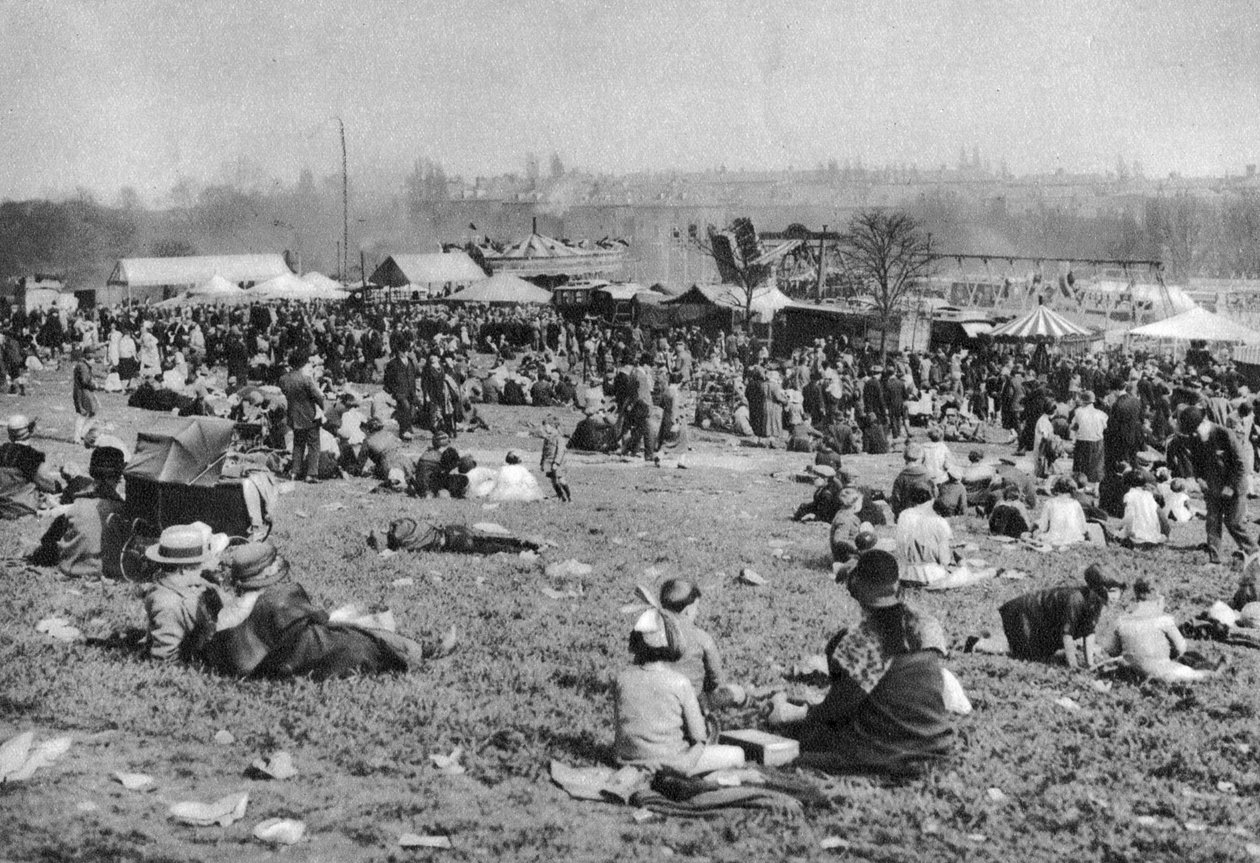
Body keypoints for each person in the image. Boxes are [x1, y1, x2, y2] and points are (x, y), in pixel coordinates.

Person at [769, 549, 953, 775]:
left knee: (806, 742)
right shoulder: (928, 624)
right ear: (896, 585)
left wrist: (788, 713)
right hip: (937, 745)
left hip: (887, 752)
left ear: (857, 588)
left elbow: (835, 711)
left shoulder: (855, 641)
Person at [192, 541, 455, 680]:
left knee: (350, 634)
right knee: (361, 640)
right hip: (293, 657)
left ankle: (416, 650)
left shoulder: (227, 610)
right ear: (268, 574)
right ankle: (423, 652)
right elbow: (318, 621)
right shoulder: (277, 600)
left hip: (268, 660)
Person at [611, 608, 746, 774]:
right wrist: (686, 764)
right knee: (737, 754)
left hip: (628, 761)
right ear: (674, 643)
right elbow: (699, 737)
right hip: (673, 762)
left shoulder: (621, 679)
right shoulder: (680, 683)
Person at [965, 564, 1126, 668]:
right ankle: (977, 644)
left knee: (1042, 652)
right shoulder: (1076, 599)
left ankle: (991, 636)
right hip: (1025, 614)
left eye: (1117, 592)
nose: (1114, 597)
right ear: (1099, 590)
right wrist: (1074, 666)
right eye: (1111, 591)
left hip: (1041, 619)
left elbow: (1089, 631)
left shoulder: (1095, 602)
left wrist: (1089, 663)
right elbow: (1067, 635)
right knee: (1021, 652)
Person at [1167, 406, 1258, 564]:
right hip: (1212, 486)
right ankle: (1214, 559)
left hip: (1234, 486)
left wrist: (1230, 487)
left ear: (1203, 423)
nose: (1192, 434)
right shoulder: (1195, 438)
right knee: (1212, 521)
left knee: (1233, 522)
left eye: (1194, 430)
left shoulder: (1225, 434)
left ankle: (1254, 551)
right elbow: (1196, 461)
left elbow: (1241, 465)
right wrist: (1200, 478)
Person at [30, 446, 128, 579]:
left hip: (69, 568)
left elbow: (49, 539)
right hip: (106, 571)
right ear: (120, 475)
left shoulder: (77, 504)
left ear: (91, 471)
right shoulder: (123, 510)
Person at [1102, 578, 1218, 683]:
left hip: (1131, 671)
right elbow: (1181, 648)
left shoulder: (1121, 620)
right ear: (1154, 595)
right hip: (1162, 672)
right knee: (1205, 675)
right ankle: (1216, 671)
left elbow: (1111, 649)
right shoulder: (1164, 620)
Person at [143, 523, 229, 663]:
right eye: (200, 566)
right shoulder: (168, 604)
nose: (204, 571)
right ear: (184, 569)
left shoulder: (187, 584)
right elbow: (164, 657)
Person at [658, 579, 742, 710]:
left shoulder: (650, 635)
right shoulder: (701, 638)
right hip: (692, 705)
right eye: (696, 608)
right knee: (737, 692)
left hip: (660, 703)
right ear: (687, 611)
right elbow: (716, 678)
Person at [369, 517, 543, 555]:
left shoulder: (407, 545)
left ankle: (520, 549)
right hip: (451, 530)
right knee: (487, 539)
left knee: (486, 547)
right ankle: (524, 544)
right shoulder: (407, 524)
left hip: (452, 541)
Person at [277, 349, 325, 483]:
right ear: (303, 363)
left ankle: (294, 471)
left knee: (298, 444)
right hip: (309, 415)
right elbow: (317, 396)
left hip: (293, 414)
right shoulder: (306, 379)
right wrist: (322, 406)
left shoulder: (283, 379)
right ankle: (311, 474)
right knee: (314, 444)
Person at [1033, 476, 1093, 547]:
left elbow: (1043, 527)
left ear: (1056, 489)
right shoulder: (1075, 503)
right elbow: (1083, 527)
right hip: (1075, 538)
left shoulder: (1049, 503)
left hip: (1054, 538)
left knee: (1036, 533)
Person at [1117, 469, 1170, 548]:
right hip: (1154, 537)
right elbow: (1162, 517)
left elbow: (1129, 517)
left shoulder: (1129, 495)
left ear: (1126, 484)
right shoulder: (1149, 496)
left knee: (1118, 534)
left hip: (1137, 537)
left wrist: (1120, 530)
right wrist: (1165, 534)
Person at [1070, 391, 1108, 489]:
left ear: (1082, 401)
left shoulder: (1078, 411)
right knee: (1096, 466)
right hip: (1097, 441)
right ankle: (1096, 488)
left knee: (1081, 465)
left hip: (1082, 441)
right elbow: (1105, 427)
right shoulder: (1102, 414)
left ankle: (1080, 486)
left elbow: (1074, 426)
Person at [889, 443, 935, 517]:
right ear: (921, 458)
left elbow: (896, 500)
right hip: (926, 514)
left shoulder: (901, 477)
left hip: (906, 515)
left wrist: (898, 514)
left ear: (905, 458)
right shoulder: (927, 475)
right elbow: (934, 495)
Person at [71, 347, 100, 445]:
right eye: (92, 354)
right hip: (83, 392)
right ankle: (78, 437)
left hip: (85, 392)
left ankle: (81, 434)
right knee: (83, 414)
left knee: (91, 412)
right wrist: (94, 385)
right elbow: (84, 381)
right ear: (87, 354)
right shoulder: (83, 366)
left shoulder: (83, 365)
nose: (93, 357)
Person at [539, 417, 572, 502]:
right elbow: (544, 451)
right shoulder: (547, 438)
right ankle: (561, 497)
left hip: (557, 463)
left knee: (561, 480)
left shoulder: (559, 437)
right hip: (549, 462)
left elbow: (560, 451)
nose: (545, 429)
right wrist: (542, 463)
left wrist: (556, 463)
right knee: (554, 482)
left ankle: (569, 497)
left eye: (546, 426)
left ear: (552, 426)